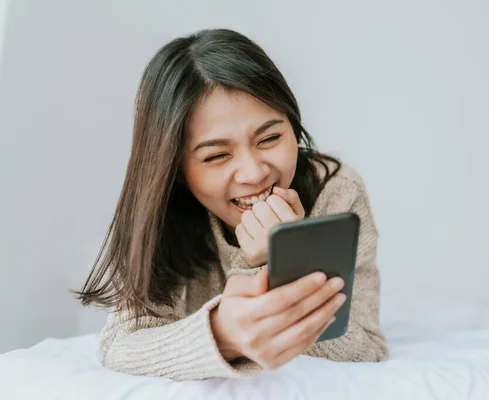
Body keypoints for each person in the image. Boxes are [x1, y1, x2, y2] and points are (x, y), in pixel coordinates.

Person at [76, 28, 388, 381]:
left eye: (270, 138)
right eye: (217, 155)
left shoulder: (336, 191)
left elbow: (366, 348)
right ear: (175, 168)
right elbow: (120, 345)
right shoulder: (158, 210)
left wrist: (280, 261)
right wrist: (224, 333)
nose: (254, 174)